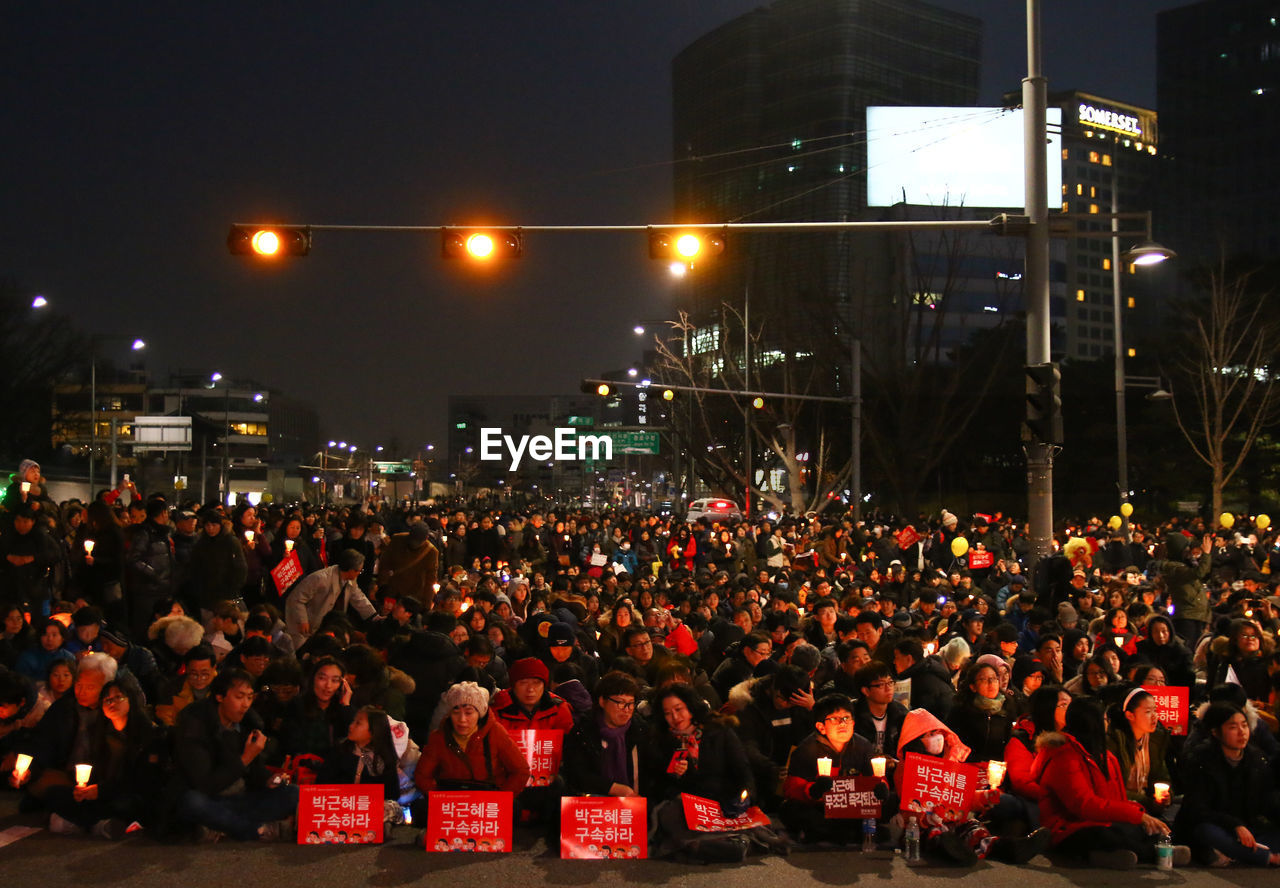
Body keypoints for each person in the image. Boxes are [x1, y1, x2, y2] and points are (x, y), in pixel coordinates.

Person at [1032, 698, 1189, 869]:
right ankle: (1155, 854)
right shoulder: (1063, 756)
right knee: (1105, 836)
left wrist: (1138, 815)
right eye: (1105, 720)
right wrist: (1136, 815)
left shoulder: (1104, 755)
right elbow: (1083, 805)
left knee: (1141, 830)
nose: (1108, 725)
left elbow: (1116, 800)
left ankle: (1111, 856)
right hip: (1066, 827)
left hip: (1100, 821)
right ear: (1093, 723)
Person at [171, 667, 299, 841]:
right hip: (210, 799)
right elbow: (205, 786)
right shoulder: (195, 725)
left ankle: (220, 827)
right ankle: (255, 830)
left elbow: (254, 772)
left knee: (293, 793)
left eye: (249, 697)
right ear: (220, 697)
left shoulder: (248, 722)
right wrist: (246, 757)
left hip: (240, 799)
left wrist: (269, 779)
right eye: (239, 697)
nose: (245, 704)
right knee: (193, 802)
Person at [42, 679, 162, 838]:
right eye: (107, 700)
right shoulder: (99, 734)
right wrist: (84, 788)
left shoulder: (148, 735)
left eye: (118, 697)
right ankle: (99, 825)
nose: (112, 703)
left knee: (123, 805)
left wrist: (101, 791)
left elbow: (144, 781)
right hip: (101, 794)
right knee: (53, 793)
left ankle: (84, 823)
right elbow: (94, 771)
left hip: (129, 794)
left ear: (131, 700)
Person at [1175, 702, 1280, 867]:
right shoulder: (1201, 759)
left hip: (1248, 828)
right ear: (1216, 732)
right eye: (1233, 727)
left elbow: (1265, 800)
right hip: (1215, 825)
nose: (1242, 732)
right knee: (1207, 833)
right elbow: (1197, 809)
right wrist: (1234, 824)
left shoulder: (1255, 758)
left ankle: (1237, 854)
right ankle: (1268, 858)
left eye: (1244, 726)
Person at [779, 692, 875, 844]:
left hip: (852, 807)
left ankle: (838, 832)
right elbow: (791, 788)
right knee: (790, 809)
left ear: (853, 722)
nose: (842, 724)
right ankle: (843, 832)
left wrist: (880, 787)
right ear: (821, 727)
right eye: (835, 719)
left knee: (889, 800)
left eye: (846, 718)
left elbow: (874, 780)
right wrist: (814, 789)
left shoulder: (863, 746)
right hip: (819, 807)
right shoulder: (806, 749)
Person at [413, 681, 528, 800]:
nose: (462, 720)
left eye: (468, 713)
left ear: (479, 714)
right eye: (456, 712)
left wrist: (501, 799)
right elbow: (422, 776)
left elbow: (521, 771)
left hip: (488, 798)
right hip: (451, 800)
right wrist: (439, 798)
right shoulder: (438, 737)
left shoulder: (495, 733)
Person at [561, 671, 647, 798]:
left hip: (636, 804)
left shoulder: (640, 730)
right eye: (620, 702)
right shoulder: (583, 732)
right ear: (602, 701)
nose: (626, 709)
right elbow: (577, 774)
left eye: (630, 703)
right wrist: (612, 788)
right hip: (594, 804)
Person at [283, 549, 376, 647]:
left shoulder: (351, 580)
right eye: (359, 571)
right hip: (308, 624)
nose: (359, 573)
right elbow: (296, 598)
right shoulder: (321, 578)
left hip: (326, 625)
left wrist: (374, 616)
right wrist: (302, 620)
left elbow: (358, 597)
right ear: (350, 570)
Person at [319, 706, 401, 812]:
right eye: (353, 721)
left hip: (369, 813)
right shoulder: (340, 751)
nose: (351, 726)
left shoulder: (385, 759)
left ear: (373, 731)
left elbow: (392, 795)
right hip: (337, 808)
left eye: (358, 723)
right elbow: (322, 783)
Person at [1105, 689, 1174, 813]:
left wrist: (1166, 795)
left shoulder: (1156, 739)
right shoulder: (1114, 742)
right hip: (1122, 806)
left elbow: (1161, 776)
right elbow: (1112, 788)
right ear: (1130, 715)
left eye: (1155, 710)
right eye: (1148, 712)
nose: (1154, 716)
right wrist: (1147, 802)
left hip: (1147, 804)